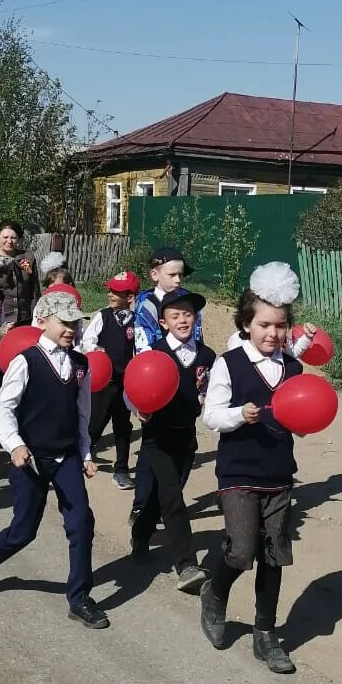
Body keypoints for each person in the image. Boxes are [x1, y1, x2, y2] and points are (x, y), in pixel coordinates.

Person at [0, 291, 107, 629]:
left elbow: (82, 413)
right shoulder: (26, 360)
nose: (71, 328)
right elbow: (4, 409)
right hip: (29, 458)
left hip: (67, 456)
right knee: (24, 530)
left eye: (75, 321)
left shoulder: (81, 364)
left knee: (81, 524)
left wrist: (86, 452)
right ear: (43, 322)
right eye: (64, 321)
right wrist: (15, 446)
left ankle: (79, 598)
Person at [201, 263, 310, 675]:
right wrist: (238, 415)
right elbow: (211, 416)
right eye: (264, 324)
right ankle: (215, 591)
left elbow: (302, 414)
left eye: (281, 326)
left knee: (274, 556)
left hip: (280, 472)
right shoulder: (229, 364)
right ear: (246, 324)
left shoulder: (294, 369)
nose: (273, 334)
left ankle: (266, 634)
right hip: (238, 472)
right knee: (243, 550)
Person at [128, 287, 213, 592]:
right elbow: (132, 390)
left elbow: (208, 389)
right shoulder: (154, 355)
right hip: (157, 437)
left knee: (163, 496)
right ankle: (186, 564)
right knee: (174, 499)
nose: (182, 320)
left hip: (186, 437)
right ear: (163, 322)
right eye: (175, 316)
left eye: (187, 314)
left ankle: (140, 533)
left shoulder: (206, 355)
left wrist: (207, 400)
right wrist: (138, 408)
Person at [130, 245, 202, 524]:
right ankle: (141, 506)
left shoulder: (188, 302)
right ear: (154, 274)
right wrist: (146, 390)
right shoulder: (147, 304)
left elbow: (198, 335)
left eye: (181, 275)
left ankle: (163, 503)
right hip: (154, 385)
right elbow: (142, 345)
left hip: (185, 380)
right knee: (152, 448)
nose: (178, 280)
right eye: (172, 274)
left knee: (186, 446)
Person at [80, 270, 139, 489]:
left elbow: (140, 349)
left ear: (130, 297)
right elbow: (87, 340)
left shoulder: (137, 321)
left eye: (117, 292)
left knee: (123, 426)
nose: (111, 294)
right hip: (104, 383)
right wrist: (97, 350)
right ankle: (82, 457)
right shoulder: (103, 316)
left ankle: (121, 469)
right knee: (95, 423)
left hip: (126, 385)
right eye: (110, 290)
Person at [0, 221, 38, 329]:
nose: (9, 241)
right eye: (5, 237)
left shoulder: (27, 257)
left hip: (24, 317)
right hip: (0, 319)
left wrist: (35, 315)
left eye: (13, 237)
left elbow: (34, 290)